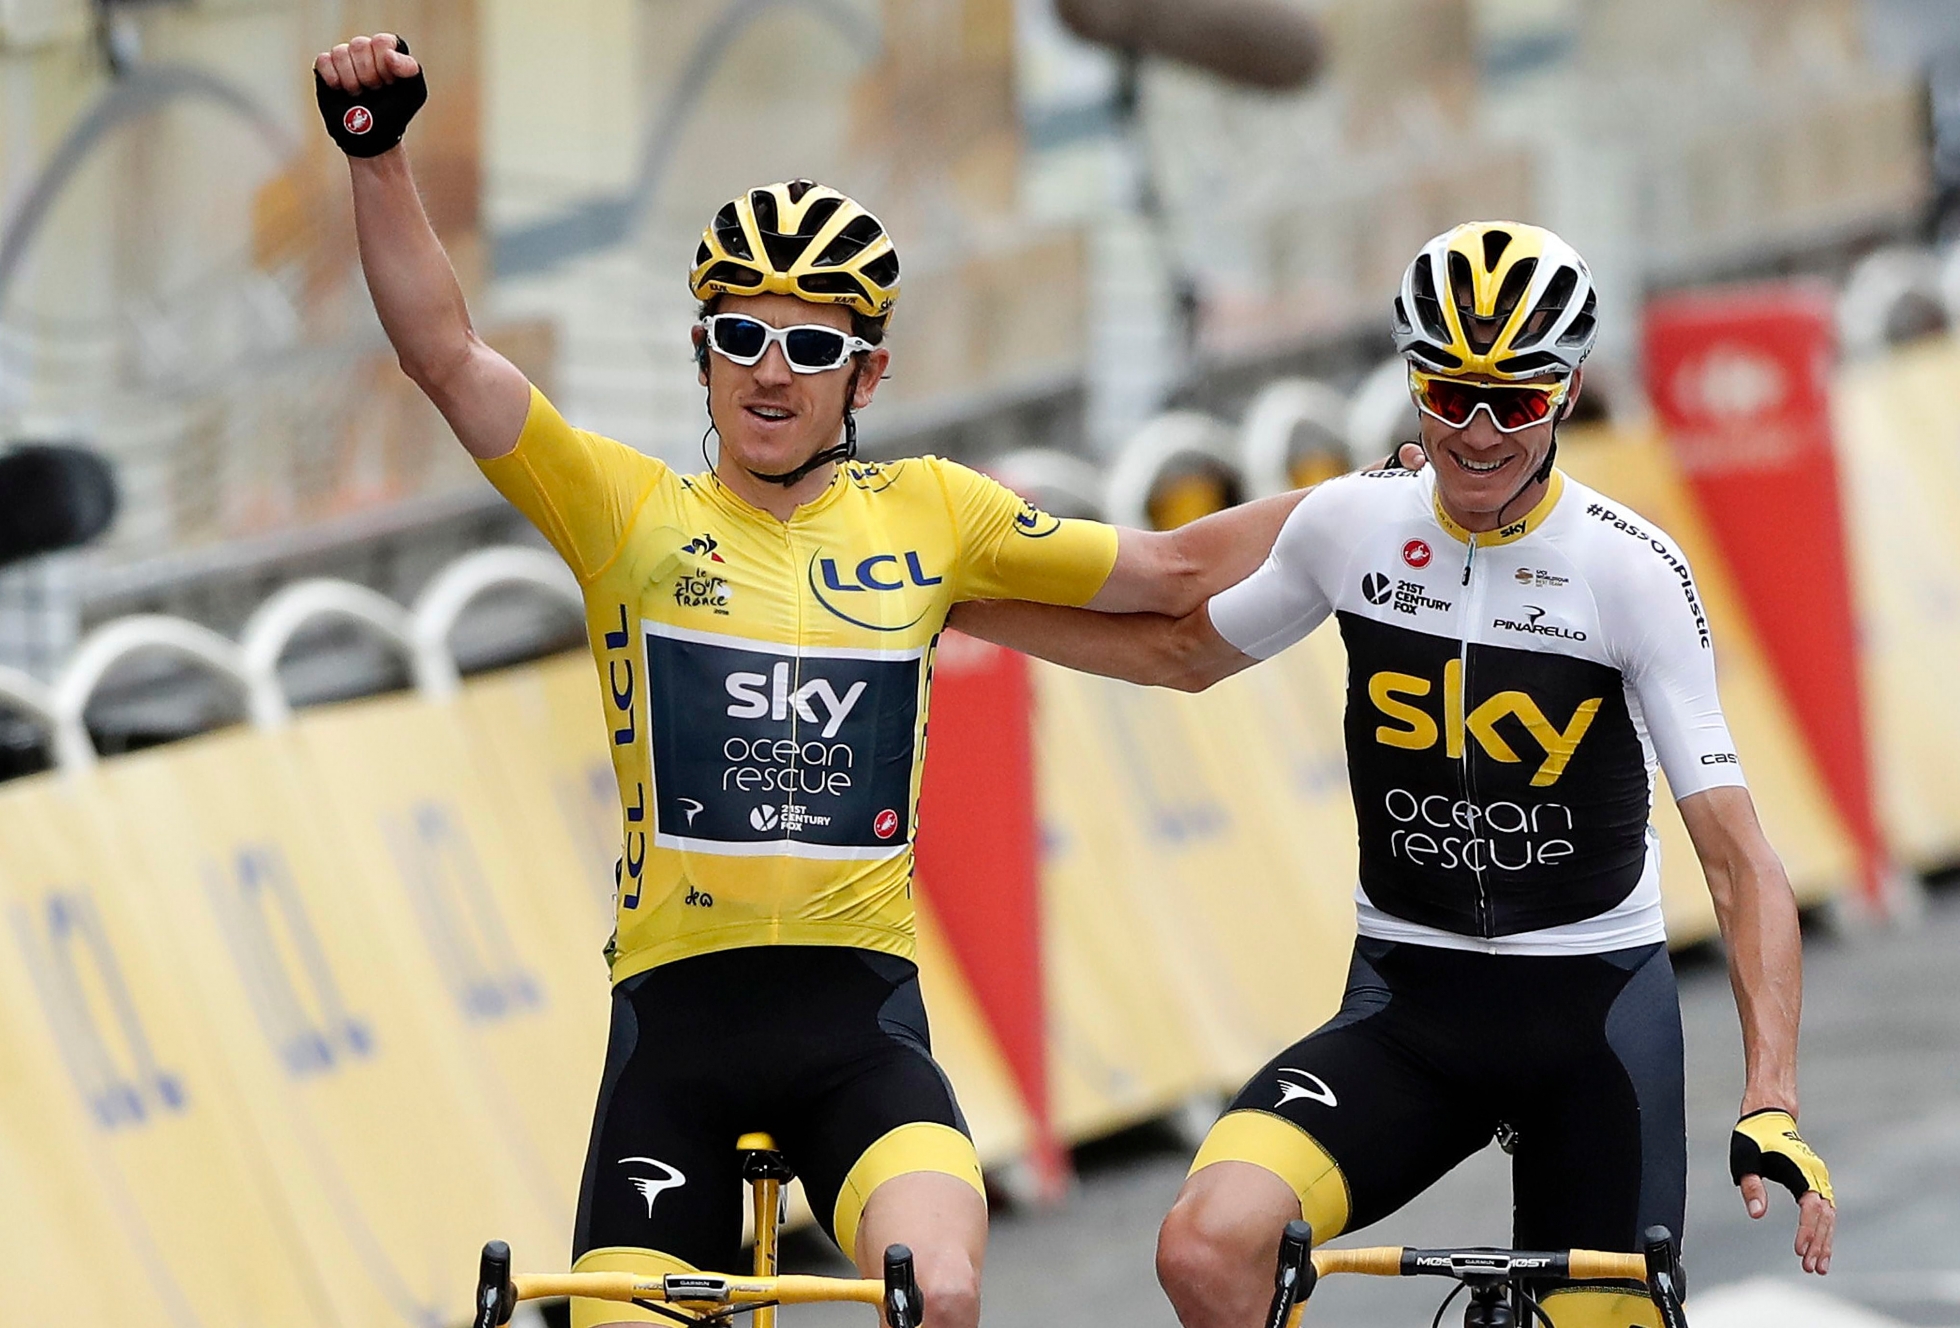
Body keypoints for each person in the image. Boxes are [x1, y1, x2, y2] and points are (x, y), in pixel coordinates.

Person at [311, 32, 1335, 1328]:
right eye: (740, 336)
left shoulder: (934, 514)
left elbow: (1172, 570)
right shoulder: (623, 514)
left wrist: (1368, 506)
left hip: (860, 1034)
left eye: (810, 346)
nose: (769, 372)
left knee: (938, 1292)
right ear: (700, 354)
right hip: (675, 1044)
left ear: (869, 373)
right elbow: (447, 355)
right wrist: (379, 156)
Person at [949, 221, 1837, 1328]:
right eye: (1446, 391)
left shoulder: (1628, 569)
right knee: (1207, 1247)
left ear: (1563, 396)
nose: (1473, 431)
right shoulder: (1350, 524)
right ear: (1408, 381)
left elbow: (1738, 859)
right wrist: (948, 600)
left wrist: (1771, 1092)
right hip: (1409, 1008)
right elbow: (1178, 650)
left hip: (1589, 1018)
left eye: (1511, 401)